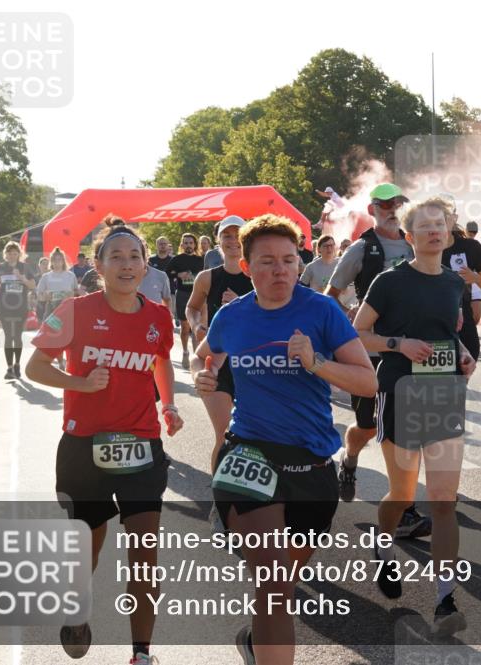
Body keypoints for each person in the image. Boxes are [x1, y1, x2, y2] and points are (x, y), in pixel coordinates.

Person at [190, 214, 376, 665]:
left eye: (289, 260)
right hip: (250, 455)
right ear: (246, 265)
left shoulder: (321, 311)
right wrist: (206, 376)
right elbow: (205, 357)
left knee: (282, 583)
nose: (280, 270)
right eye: (268, 261)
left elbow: (368, 383)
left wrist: (317, 364)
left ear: (300, 263)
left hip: (311, 466)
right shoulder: (232, 315)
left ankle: (258, 644)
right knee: (273, 583)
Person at [26, 220, 183, 665]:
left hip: (141, 446)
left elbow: (161, 363)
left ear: (145, 264)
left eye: (134, 256)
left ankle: (141, 654)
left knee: (145, 555)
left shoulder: (156, 315)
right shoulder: (74, 310)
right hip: (83, 449)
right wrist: (79, 382)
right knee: (86, 549)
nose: (126, 264)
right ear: (98, 265)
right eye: (116, 256)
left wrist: (168, 405)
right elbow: (36, 367)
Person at [353, 196, 476, 636]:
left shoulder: (452, 282)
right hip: (400, 393)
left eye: (439, 224)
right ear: (409, 237)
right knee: (402, 496)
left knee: (444, 499)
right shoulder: (389, 282)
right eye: (423, 226)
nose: (433, 231)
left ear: (449, 231)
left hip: (443, 394)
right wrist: (398, 344)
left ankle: (445, 600)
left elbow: (447, 333)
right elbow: (358, 335)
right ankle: (382, 546)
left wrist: (461, 354)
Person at [324, 183, 431, 538]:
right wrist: (348, 314)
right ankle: (350, 457)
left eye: (398, 202)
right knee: (369, 426)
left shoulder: (416, 242)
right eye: (384, 204)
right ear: (372, 209)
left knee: (406, 428)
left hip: (413, 353)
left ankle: (405, 508)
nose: (391, 208)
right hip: (370, 354)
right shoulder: (361, 248)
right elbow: (331, 296)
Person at [186, 216, 254, 473]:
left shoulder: (258, 277)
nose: (233, 240)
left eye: (238, 235)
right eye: (227, 235)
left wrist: (240, 303)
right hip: (217, 362)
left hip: (252, 363)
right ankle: (221, 501)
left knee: (255, 438)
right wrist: (196, 326)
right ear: (218, 242)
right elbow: (191, 307)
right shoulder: (207, 278)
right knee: (226, 436)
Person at [443, 198, 481, 360]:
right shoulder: (421, 246)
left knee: (459, 383)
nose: (441, 220)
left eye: (447, 214)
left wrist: (476, 278)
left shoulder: (471, 247)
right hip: (429, 331)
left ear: (455, 217)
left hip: (464, 329)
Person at [0, 241, 37, 380]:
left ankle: (17, 364)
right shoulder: (0, 268)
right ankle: (9, 368)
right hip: (4, 307)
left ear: (19, 254)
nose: (12, 256)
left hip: (20, 306)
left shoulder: (25, 267)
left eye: (15, 253)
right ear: (6, 254)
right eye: (9, 253)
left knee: (17, 337)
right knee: (8, 337)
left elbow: (32, 285)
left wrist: (21, 277)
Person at [167, 233, 205, 367]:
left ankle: (196, 356)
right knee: (184, 327)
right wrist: (178, 274)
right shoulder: (177, 259)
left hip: (197, 295)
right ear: (182, 245)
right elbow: (167, 273)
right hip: (182, 294)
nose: (188, 245)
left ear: (195, 244)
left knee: (196, 326)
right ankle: (185, 352)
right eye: (186, 243)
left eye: (191, 243)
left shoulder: (201, 260)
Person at [36, 248, 78, 320]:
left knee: (66, 330)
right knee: (50, 330)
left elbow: (77, 292)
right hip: (51, 311)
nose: (57, 262)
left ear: (63, 261)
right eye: (54, 260)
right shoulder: (46, 276)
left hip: (67, 311)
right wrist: (45, 296)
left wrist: (71, 294)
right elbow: (39, 295)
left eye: (59, 259)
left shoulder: (71, 275)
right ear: (51, 261)